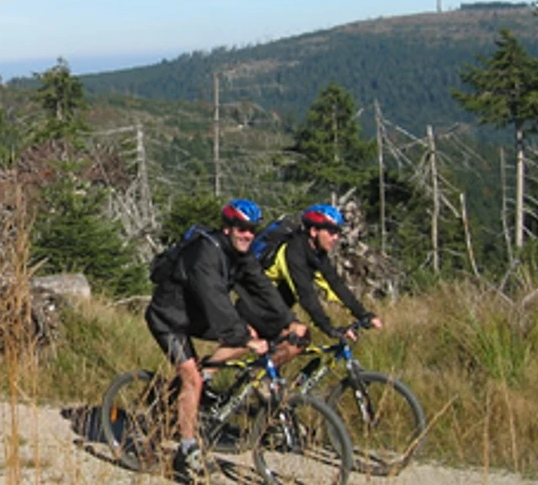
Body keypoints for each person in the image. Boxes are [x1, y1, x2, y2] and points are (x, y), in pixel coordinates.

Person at [144, 199, 303, 480]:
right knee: (191, 376)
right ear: (227, 228)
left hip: (195, 316)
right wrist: (243, 338)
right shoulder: (206, 253)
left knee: (247, 336)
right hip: (168, 318)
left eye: (252, 229)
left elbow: (262, 286)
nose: (248, 234)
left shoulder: (240, 254)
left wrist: (287, 320)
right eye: (241, 228)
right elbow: (215, 299)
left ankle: (205, 377)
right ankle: (186, 450)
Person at [260, 204, 383, 343]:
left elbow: (336, 285)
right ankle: (263, 364)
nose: (336, 237)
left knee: (298, 340)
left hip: (275, 304)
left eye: (338, 232)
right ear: (313, 231)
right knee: (298, 334)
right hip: (254, 301)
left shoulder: (317, 254)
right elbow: (305, 294)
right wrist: (328, 328)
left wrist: (363, 314)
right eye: (331, 232)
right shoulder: (293, 251)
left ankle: (269, 364)